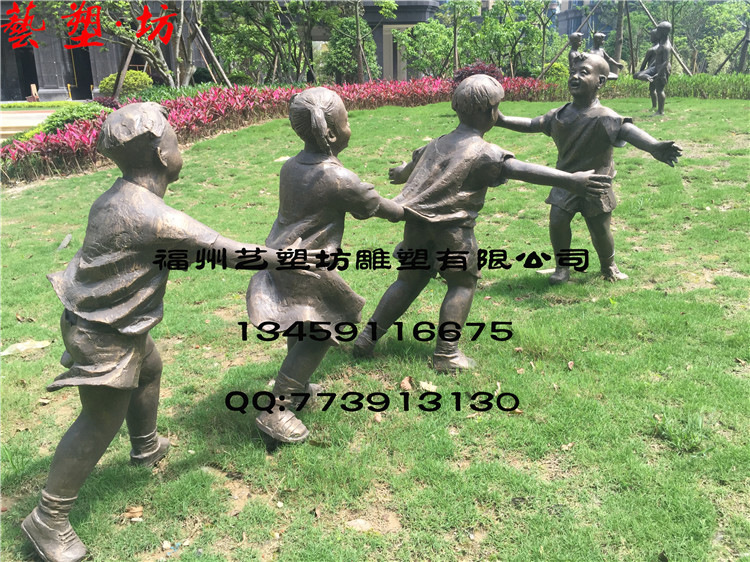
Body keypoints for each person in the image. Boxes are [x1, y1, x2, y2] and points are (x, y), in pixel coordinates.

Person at [21, 102, 301, 562]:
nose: (178, 144)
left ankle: (146, 447)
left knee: (149, 369)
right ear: (160, 153)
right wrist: (288, 259)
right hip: (105, 333)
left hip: (101, 322)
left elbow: (159, 253)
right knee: (99, 420)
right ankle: (48, 518)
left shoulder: (114, 198)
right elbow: (226, 251)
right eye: (174, 137)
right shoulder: (155, 216)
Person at [352, 74, 613, 372]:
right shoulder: (485, 153)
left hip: (415, 227)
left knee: (407, 282)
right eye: (497, 108)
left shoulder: (436, 144)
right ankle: (446, 354)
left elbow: (412, 166)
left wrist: (400, 173)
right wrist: (571, 180)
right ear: (490, 112)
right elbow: (522, 170)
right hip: (453, 234)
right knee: (462, 285)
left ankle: (367, 339)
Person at [246, 87, 404, 443]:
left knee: (300, 322)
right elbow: (377, 206)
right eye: (346, 120)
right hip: (309, 267)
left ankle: (298, 387)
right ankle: (277, 408)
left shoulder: (290, 166)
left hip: (281, 256)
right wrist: (406, 210)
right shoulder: (339, 178)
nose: (350, 126)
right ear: (332, 133)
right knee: (320, 333)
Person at [495, 53, 681, 285]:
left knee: (600, 229)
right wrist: (502, 120)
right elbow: (532, 124)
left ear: (600, 82)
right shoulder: (558, 114)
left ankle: (608, 265)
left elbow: (627, 131)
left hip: (596, 184)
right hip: (565, 180)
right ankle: (562, 268)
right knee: (557, 222)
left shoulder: (606, 117)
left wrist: (653, 146)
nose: (575, 76)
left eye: (584, 73)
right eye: (573, 72)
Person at [634, 21, 673, 114]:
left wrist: (659, 73)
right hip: (657, 67)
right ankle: (649, 78)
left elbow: (666, 62)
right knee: (639, 76)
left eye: (658, 31)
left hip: (662, 69)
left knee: (660, 89)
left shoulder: (665, 46)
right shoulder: (661, 43)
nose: (656, 33)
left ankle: (660, 111)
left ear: (663, 33)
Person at [635, 28, 662, 112]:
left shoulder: (651, 50)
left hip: (652, 71)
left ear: (655, 37)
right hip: (660, 70)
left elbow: (644, 63)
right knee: (654, 89)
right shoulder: (662, 48)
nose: (650, 37)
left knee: (636, 76)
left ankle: (647, 77)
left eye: (651, 36)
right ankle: (655, 106)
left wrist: (641, 72)